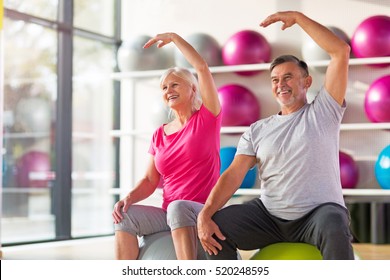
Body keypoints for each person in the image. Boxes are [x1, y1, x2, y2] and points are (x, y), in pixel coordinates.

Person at [197, 11, 355, 260]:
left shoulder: (324, 111)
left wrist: (298, 18)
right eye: (275, 79)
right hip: (269, 217)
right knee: (216, 227)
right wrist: (205, 213)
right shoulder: (257, 130)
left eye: (288, 77)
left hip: (317, 215)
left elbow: (340, 52)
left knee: (334, 223)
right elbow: (234, 175)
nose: (280, 84)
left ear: (307, 82)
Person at [112, 32, 222, 260]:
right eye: (164, 87)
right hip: (170, 213)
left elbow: (202, 67)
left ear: (193, 89)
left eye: (175, 85)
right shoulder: (159, 134)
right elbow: (151, 180)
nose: (168, 90)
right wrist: (128, 199)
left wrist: (174, 38)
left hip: (200, 211)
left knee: (177, 208)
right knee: (125, 215)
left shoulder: (207, 119)